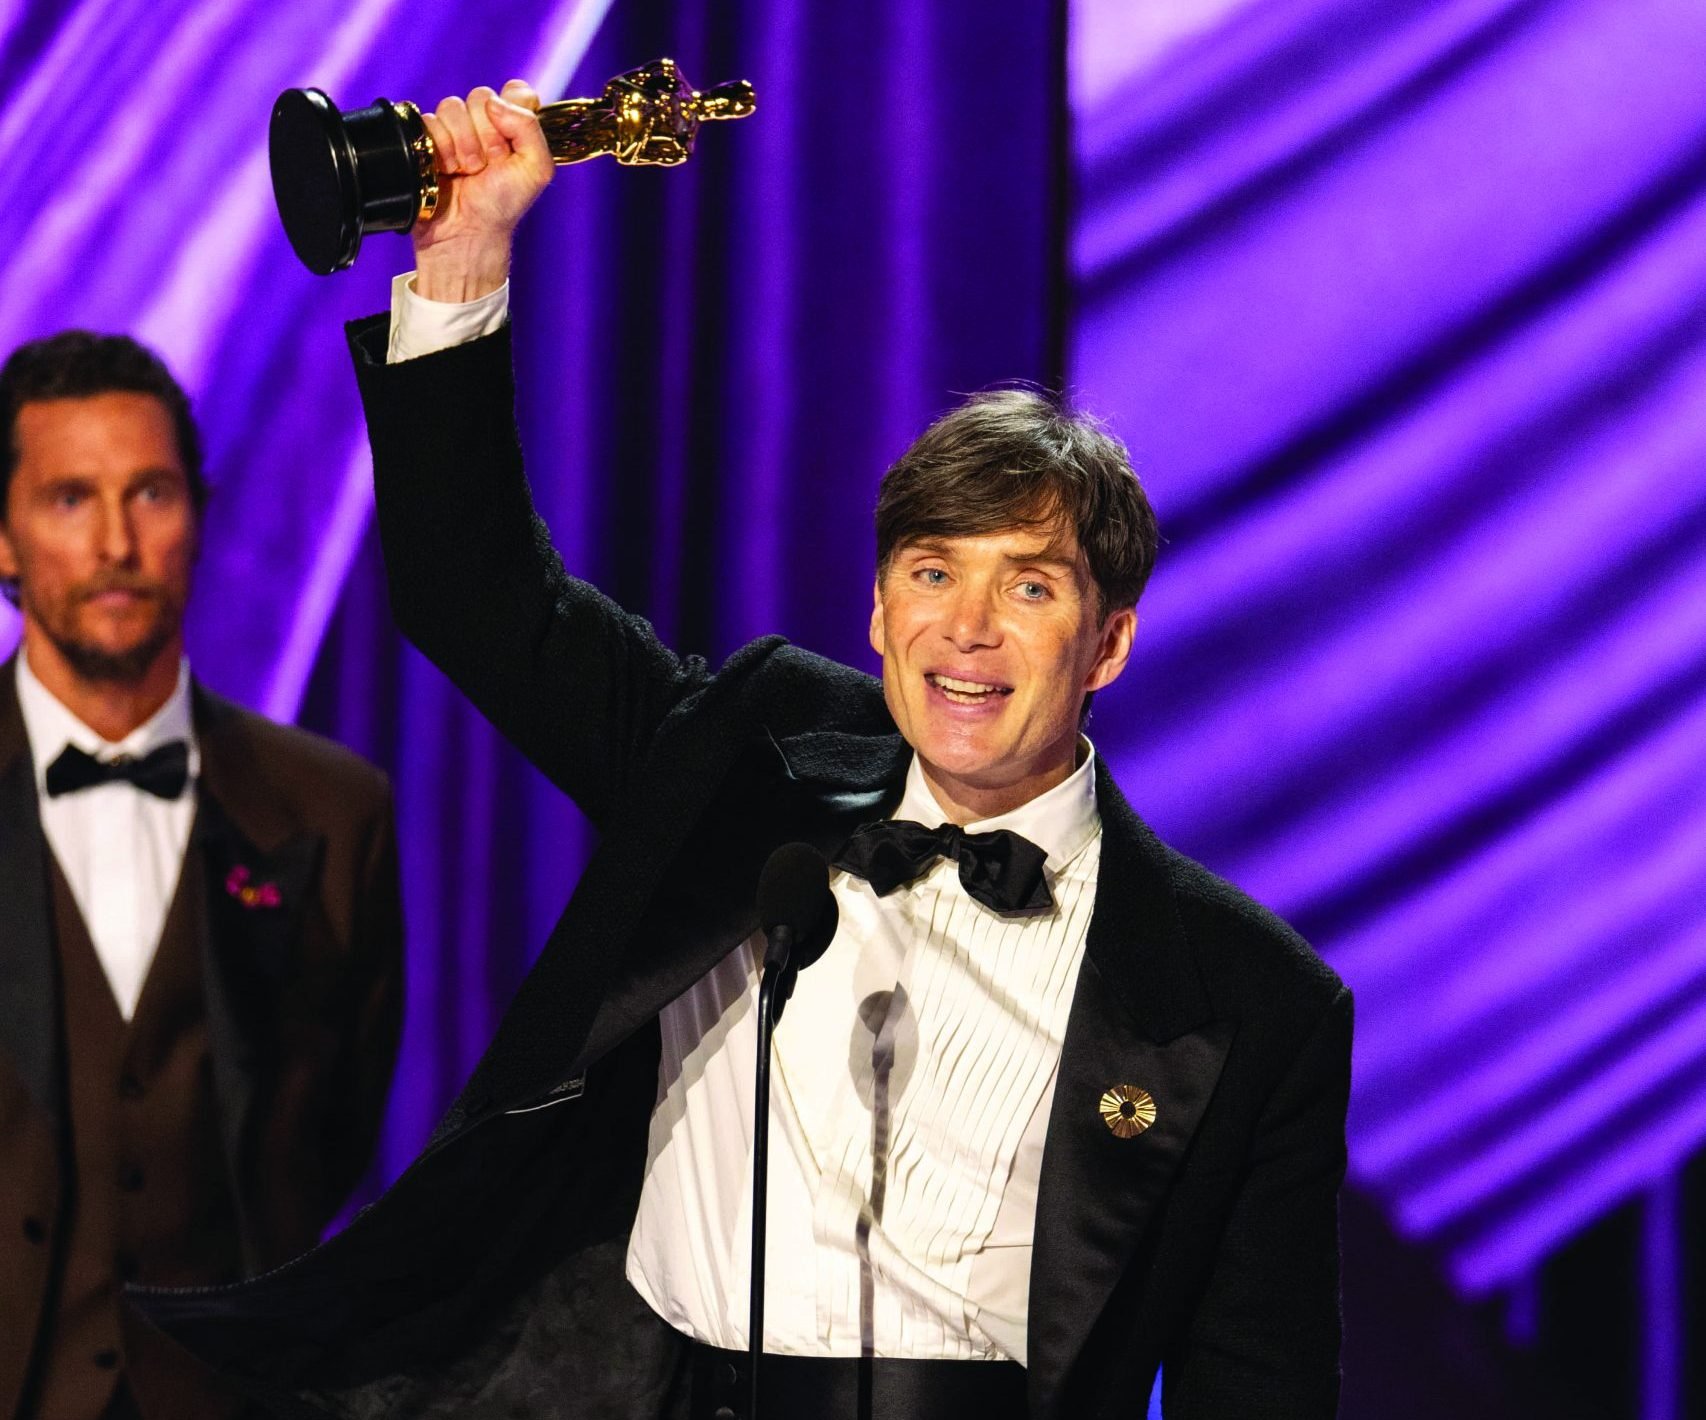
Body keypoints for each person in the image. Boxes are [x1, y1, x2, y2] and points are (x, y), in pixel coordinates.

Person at [137, 83, 1351, 1419]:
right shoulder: (749, 755)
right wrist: (463, 258)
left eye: (1029, 588)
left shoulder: (1248, 1002)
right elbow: (475, 601)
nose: (967, 631)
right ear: (877, 609)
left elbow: (1260, 1388)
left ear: (1106, 643)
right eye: (933, 574)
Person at [0, 330, 405, 1420]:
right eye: (70, 498)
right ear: (4, 536)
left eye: (151, 493)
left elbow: (338, 1136)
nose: (117, 542)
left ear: (198, 515)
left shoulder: (332, 810)